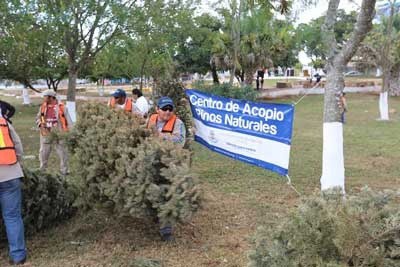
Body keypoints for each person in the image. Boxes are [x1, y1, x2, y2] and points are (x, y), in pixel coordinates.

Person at [146, 96, 186, 241]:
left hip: (170, 165)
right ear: (157, 109)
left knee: (167, 194)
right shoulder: (151, 120)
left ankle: (166, 230)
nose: (168, 112)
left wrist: (160, 136)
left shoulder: (178, 123)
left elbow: (180, 141)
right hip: (150, 162)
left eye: (170, 109)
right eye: (164, 109)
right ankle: (156, 215)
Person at [0, 112, 27, 265]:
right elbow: (18, 145)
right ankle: (18, 256)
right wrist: (16, 163)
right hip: (10, 174)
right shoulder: (3, 122)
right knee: (12, 217)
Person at [36, 89, 72, 176]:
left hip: (59, 133)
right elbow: (38, 118)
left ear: (51, 97)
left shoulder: (62, 107)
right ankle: (42, 170)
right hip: (46, 133)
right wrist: (40, 124)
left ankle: (64, 170)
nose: (44, 98)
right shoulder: (42, 107)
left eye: (45, 96)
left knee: (63, 152)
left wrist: (70, 132)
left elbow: (69, 121)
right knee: (43, 152)